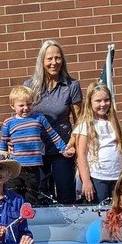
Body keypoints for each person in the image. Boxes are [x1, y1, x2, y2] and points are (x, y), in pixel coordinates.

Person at [23, 39, 83, 203]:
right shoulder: (29, 86)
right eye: (49, 59)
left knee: (66, 196)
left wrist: (71, 145)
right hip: (36, 152)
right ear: (42, 61)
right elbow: (23, 117)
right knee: (41, 197)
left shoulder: (71, 86)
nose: (54, 62)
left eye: (58, 58)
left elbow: (79, 121)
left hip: (62, 151)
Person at [0, 86, 73, 203]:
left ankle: (31, 218)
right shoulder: (8, 123)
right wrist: (1, 163)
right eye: (21, 105)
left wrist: (63, 148)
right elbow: (3, 144)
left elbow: (52, 135)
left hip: (34, 167)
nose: (26, 108)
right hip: (15, 167)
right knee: (14, 196)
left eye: (29, 104)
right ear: (13, 106)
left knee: (32, 196)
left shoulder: (39, 118)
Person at [73, 83, 122, 204]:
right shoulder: (85, 125)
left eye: (106, 100)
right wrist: (86, 181)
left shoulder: (114, 123)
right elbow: (81, 155)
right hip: (98, 177)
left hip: (117, 175)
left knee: (118, 211)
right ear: (90, 102)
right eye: (98, 101)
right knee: (101, 212)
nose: (103, 104)